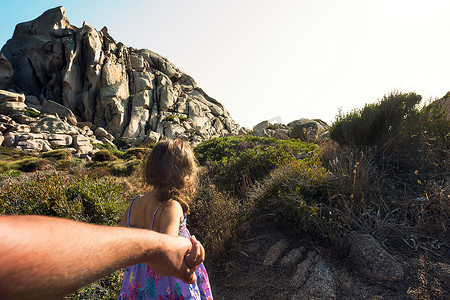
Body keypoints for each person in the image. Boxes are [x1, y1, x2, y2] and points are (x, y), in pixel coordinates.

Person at [0, 215, 205, 300]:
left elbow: (121, 228)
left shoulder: (136, 201)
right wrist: (159, 247)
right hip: (164, 279)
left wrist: (152, 248)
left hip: (134, 275)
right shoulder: (172, 205)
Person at [118, 139, 213, 300]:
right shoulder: (171, 207)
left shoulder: (134, 203)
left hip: (136, 285)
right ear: (185, 174)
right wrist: (190, 259)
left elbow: (118, 244)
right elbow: (168, 255)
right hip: (169, 287)